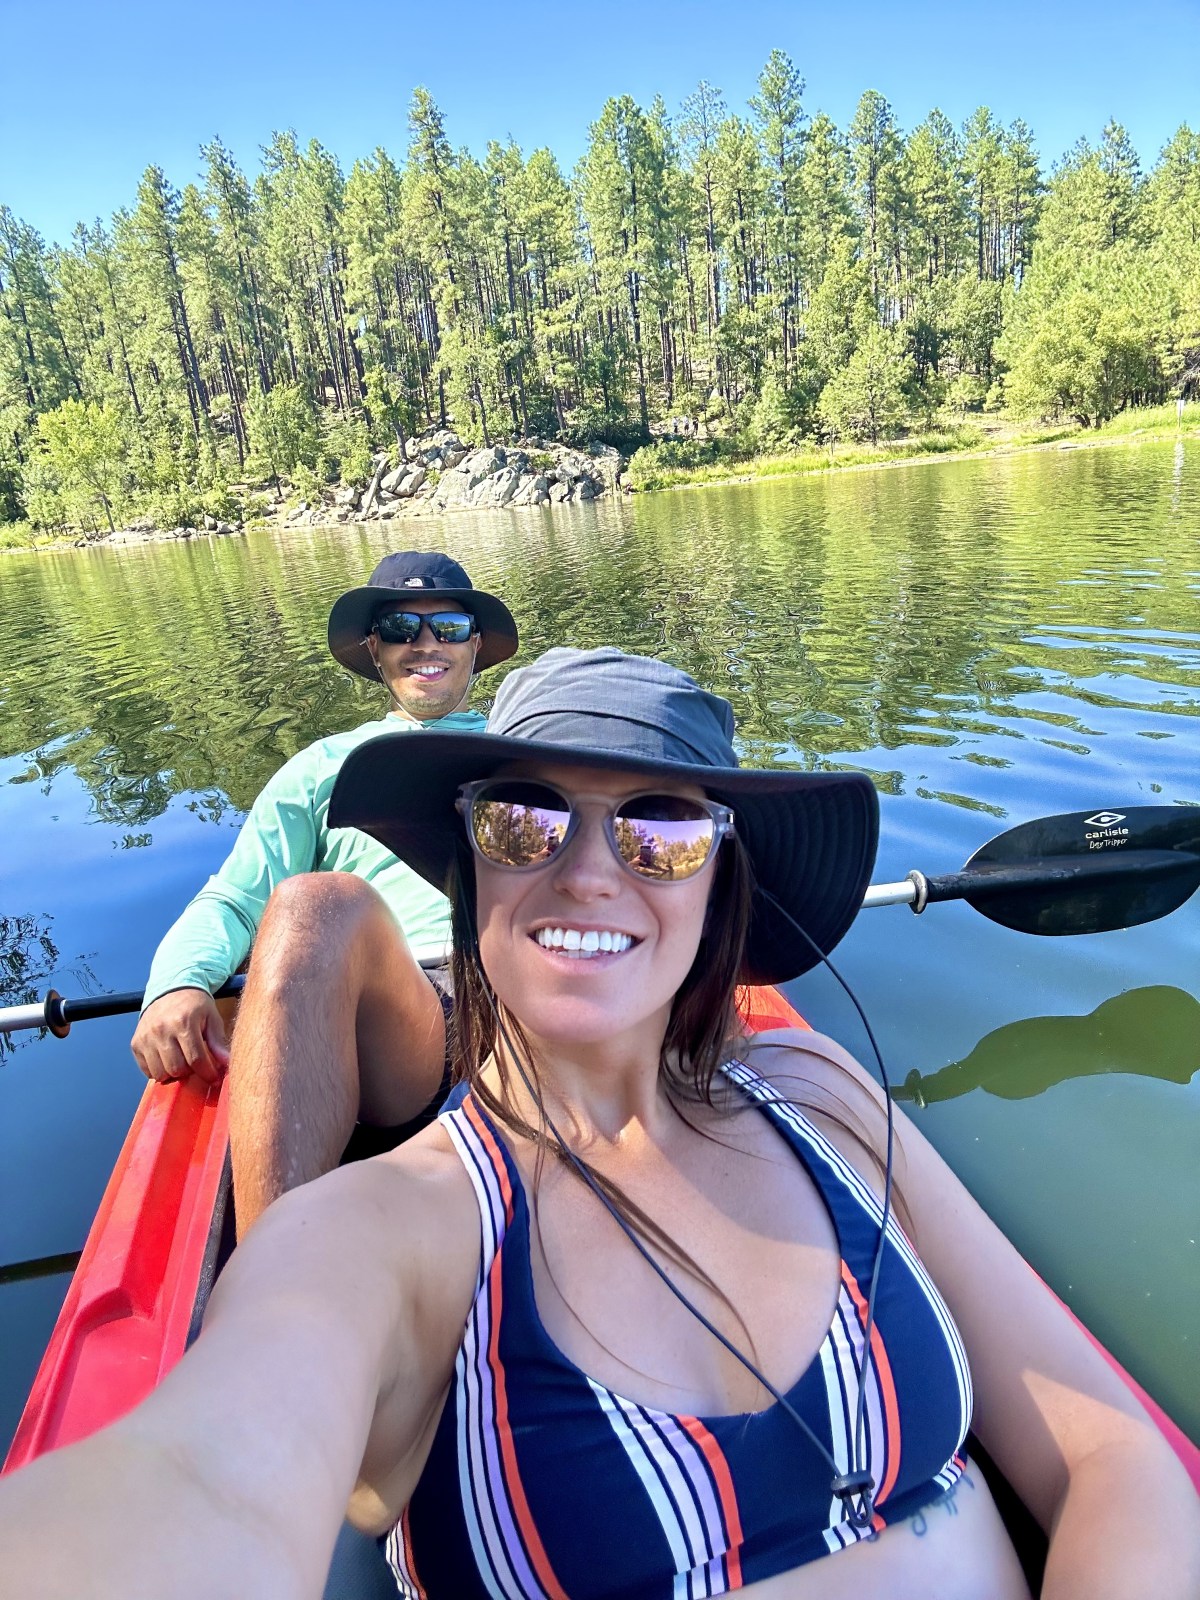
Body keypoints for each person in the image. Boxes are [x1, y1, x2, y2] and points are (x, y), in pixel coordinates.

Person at [3, 648, 1196, 1599]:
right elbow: (199, 1485)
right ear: (472, 860)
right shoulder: (388, 1232)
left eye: (658, 829)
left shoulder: (823, 1093)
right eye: (527, 821)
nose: (586, 871)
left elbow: (1110, 1454)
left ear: (719, 876)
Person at [130, 550, 518, 1233]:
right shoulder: (319, 769)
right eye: (402, 626)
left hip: (532, 981)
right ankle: (273, 1286)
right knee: (315, 904)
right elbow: (235, 900)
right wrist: (178, 981)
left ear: (476, 644)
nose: (427, 644)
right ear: (375, 649)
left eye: (450, 626)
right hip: (404, 1015)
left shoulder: (533, 743)